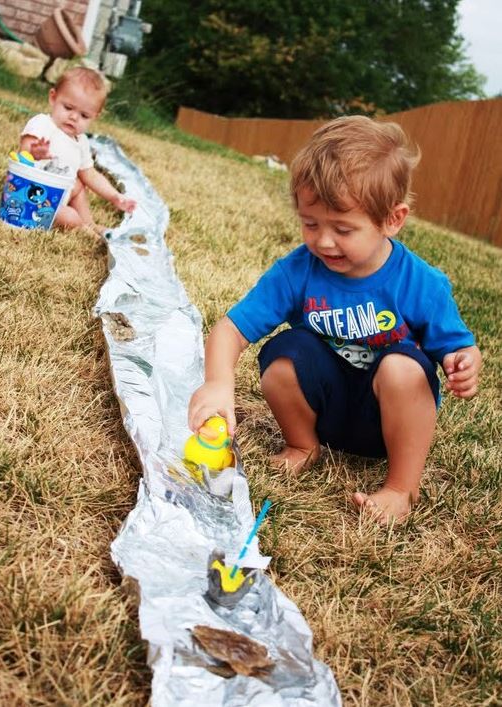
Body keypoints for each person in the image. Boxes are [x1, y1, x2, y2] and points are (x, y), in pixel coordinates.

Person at [188, 116, 482, 523]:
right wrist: (218, 382)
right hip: (325, 409)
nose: (323, 241)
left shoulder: (421, 282)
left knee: (402, 367)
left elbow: (460, 348)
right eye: (311, 224)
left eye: (343, 228)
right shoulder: (298, 271)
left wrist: (465, 362)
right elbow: (231, 330)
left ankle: (401, 487)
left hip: (386, 421)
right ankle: (303, 446)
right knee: (284, 353)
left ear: (393, 219)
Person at [19, 66, 136, 235]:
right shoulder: (42, 124)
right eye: (68, 108)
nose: (74, 117)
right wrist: (35, 153)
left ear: (95, 116)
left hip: (58, 197)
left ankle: (90, 224)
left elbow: (90, 174)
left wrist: (114, 196)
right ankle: (82, 229)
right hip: (33, 199)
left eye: (84, 116)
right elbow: (24, 153)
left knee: (79, 185)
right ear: (53, 98)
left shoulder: (80, 141)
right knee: (70, 217)